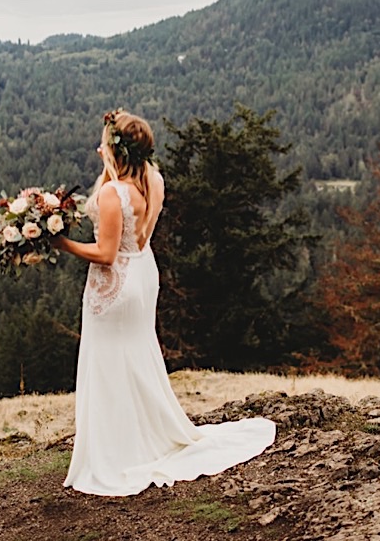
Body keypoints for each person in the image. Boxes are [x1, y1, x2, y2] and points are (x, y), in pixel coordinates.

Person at [52, 109, 276, 497]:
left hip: (114, 284)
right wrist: (109, 165)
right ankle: (144, 436)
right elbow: (133, 230)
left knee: (107, 360)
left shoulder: (113, 192)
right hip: (143, 272)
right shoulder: (152, 179)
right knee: (137, 355)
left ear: (116, 148)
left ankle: (116, 449)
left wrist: (61, 244)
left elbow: (106, 253)